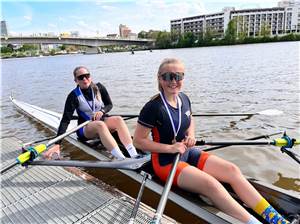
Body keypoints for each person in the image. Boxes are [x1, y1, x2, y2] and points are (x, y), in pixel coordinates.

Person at [133, 58, 289, 224]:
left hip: (185, 151)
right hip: (165, 162)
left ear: (183, 78)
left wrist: (191, 135)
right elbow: (138, 141)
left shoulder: (184, 99)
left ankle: (275, 219)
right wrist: (170, 148)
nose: (173, 81)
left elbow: (189, 119)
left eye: (178, 76)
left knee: (232, 170)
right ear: (160, 78)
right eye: (168, 76)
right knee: (211, 184)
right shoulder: (153, 107)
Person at [44, 66, 138, 160]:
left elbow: (109, 104)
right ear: (76, 80)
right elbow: (65, 120)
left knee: (118, 119)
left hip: (101, 121)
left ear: (90, 77)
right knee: (100, 125)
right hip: (85, 128)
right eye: (81, 77)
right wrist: (57, 144)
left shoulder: (99, 88)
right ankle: (122, 159)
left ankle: (134, 154)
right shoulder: (73, 96)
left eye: (87, 76)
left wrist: (102, 111)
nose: (85, 79)